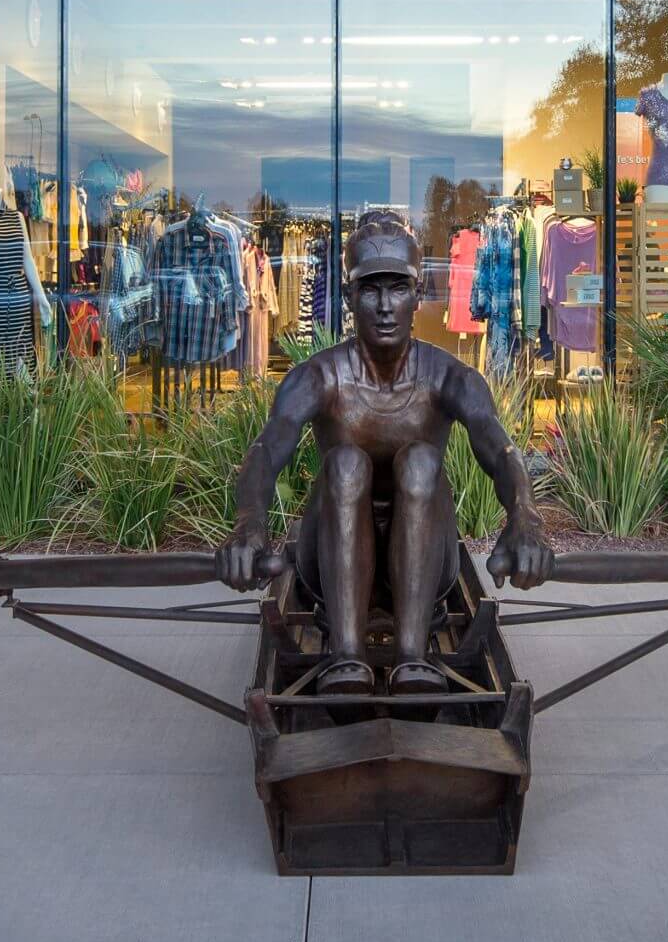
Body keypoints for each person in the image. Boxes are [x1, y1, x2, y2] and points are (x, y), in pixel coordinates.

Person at [219, 209, 549, 697]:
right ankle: (346, 654)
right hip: (329, 563)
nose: (384, 305)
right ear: (350, 296)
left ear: (418, 295)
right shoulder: (318, 377)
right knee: (345, 462)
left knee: (420, 462)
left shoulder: (448, 377)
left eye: (397, 288)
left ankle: (413, 656)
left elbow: (498, 447)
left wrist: (524, 517)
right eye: (370, 289)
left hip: (423, 567)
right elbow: (269, 448)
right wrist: (249, 523)